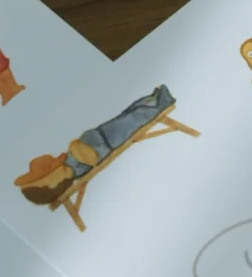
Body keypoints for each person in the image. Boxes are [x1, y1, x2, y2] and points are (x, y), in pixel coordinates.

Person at [15, 85, 177, 205]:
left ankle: (154, 98)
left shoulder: (67, 164)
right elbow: (91, 158)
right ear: (53, 182)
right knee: (133, 119)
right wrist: (74, 149)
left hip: (103, 135)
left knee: (127, 115)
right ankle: (161, 102)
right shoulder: (72, 169)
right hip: (107, 140)